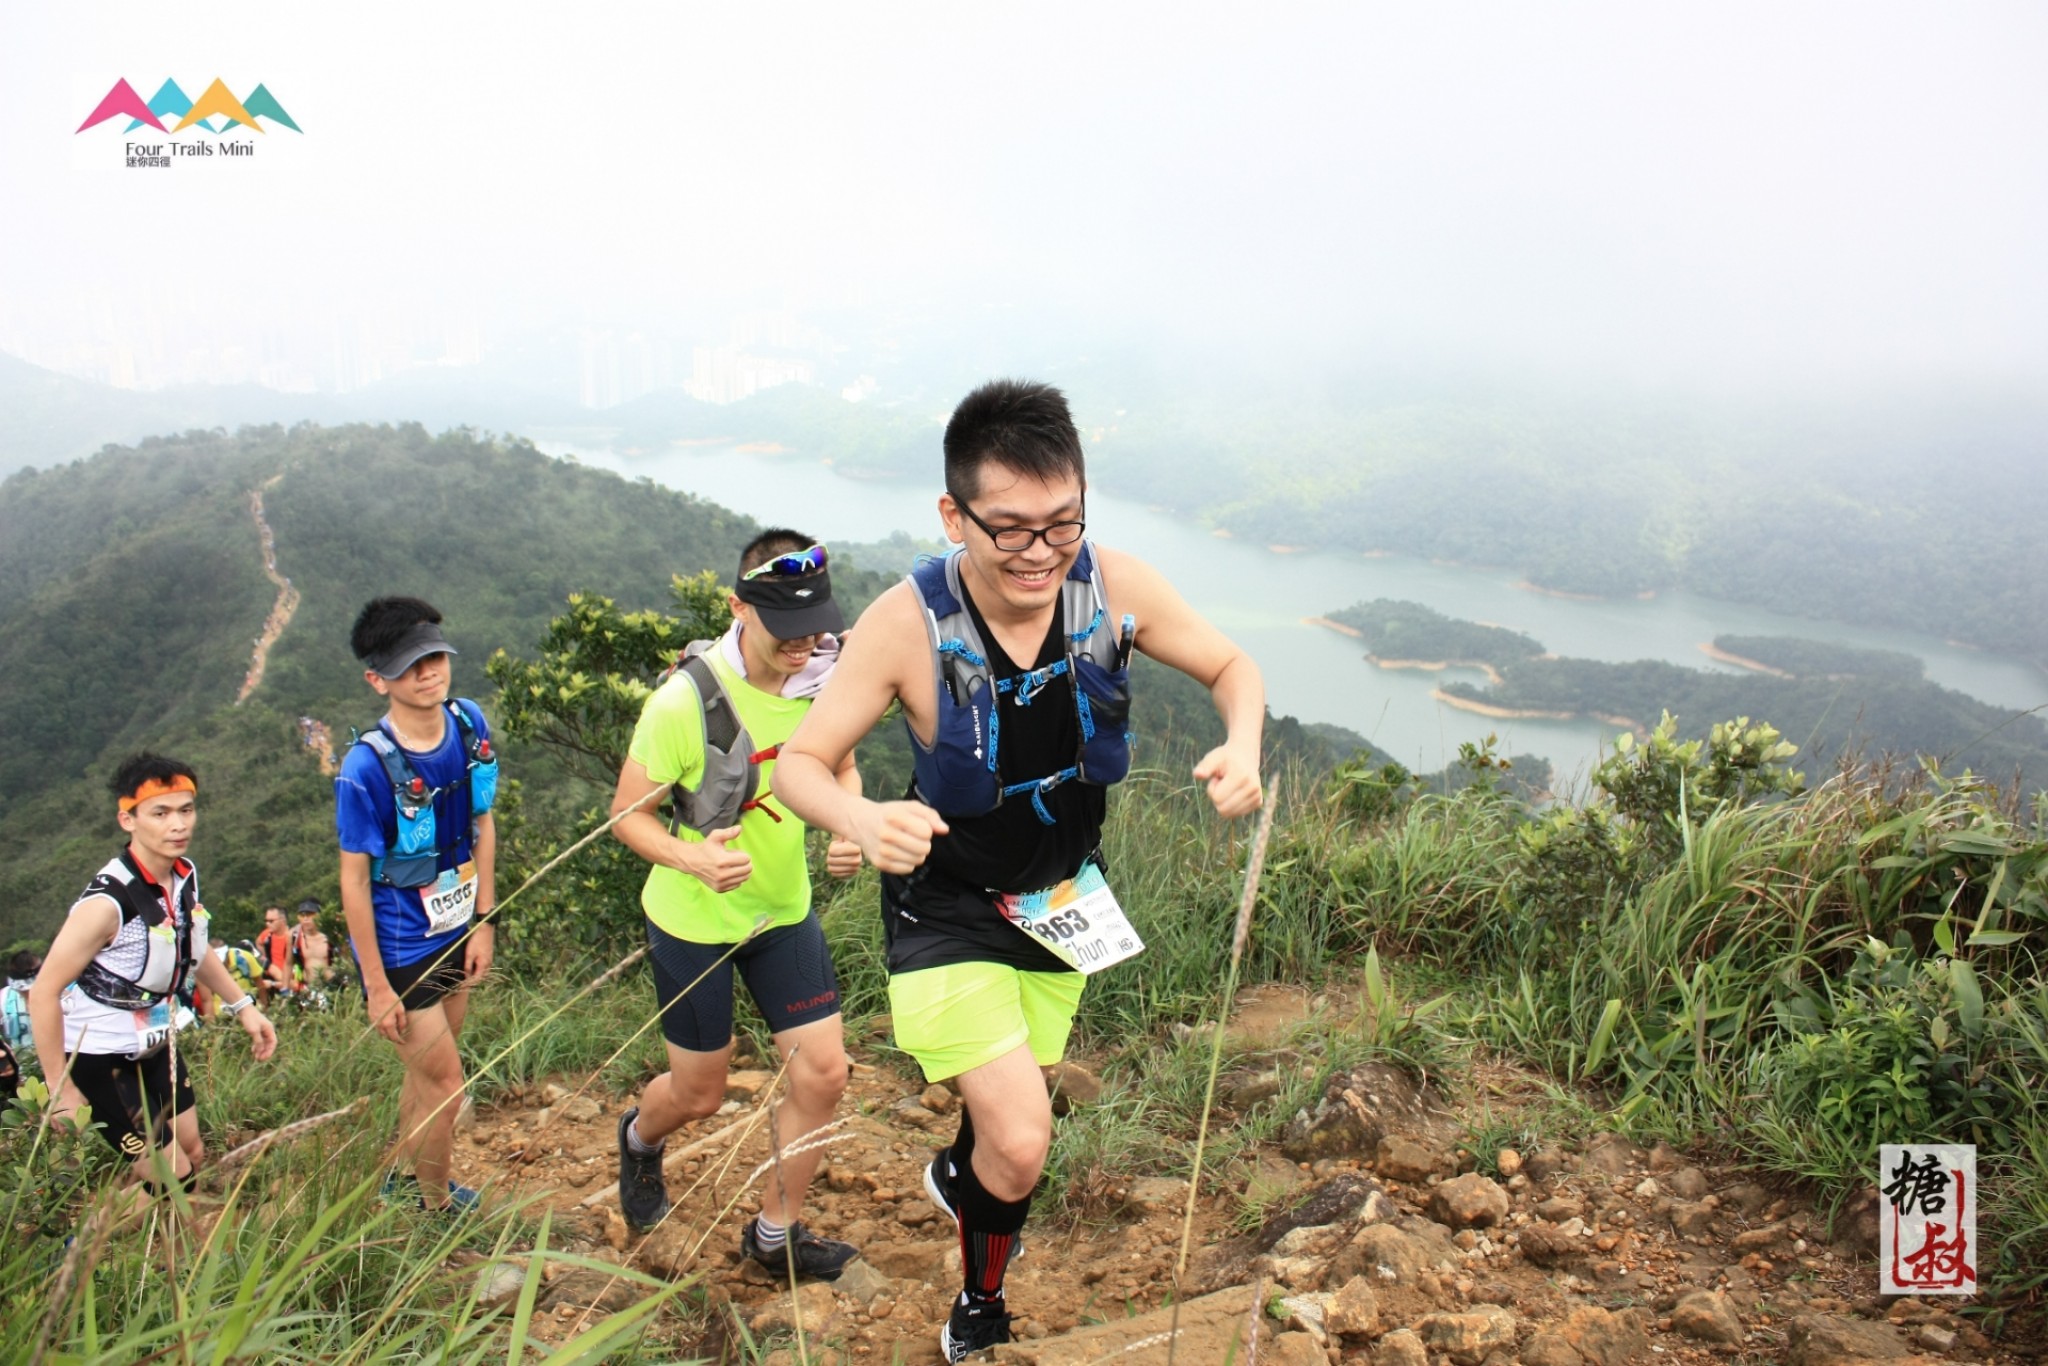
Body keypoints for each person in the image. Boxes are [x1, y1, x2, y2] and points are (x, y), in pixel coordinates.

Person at [772, 380, 1265, 1360]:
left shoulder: (1109, 587)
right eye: (1010, 529)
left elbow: (1230, 667)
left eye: (1063, 522)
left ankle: (962, 1194)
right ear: (953, 514)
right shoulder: (907, 624)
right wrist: (861, 817)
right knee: (1024, 1135)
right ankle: (981, 1310)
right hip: (944, 903)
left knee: (1009, 1116)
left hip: (1059, 894)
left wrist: (1241, 744)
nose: (1042, 552)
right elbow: (798, 764)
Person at [610, 530, 865, 1280]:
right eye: (787, 627)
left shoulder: (828, 682)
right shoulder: (684, 702)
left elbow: (844, 769)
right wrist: (693, 857)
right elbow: (627, 816)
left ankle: (775, 1235)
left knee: (824, 1075)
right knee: (700, 1093)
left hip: (781, 914)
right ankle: (640, 1140)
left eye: (814, 625)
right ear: (738, 607)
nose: (804, 643)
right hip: (693, 921)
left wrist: (848, 825)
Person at [27, 753, 277, 1190]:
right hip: (99, 1054)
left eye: (186, 810)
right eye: (160, 813)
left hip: (155, 1039)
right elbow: (43, 990)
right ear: (128, 820)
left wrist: (243, 1006)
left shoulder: (183, 875)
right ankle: (113, 1231)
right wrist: (59, 1088)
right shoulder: (106, 905)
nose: (178, 825)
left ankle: (122, 1224)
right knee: (172, 1178)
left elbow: (192, 948)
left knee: (193, 1151)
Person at [335, 596, 498, 1213]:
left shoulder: (467, 723)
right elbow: (354, 882)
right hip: (403, 947)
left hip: (456, 927)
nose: (428, 673)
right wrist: (376, 986)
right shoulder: (365, 769)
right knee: (448, 1085)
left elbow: (483, 822)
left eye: (435, 657)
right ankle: (435, 1209)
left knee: (427, 1074)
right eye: (410, 666)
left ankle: (405, 1182)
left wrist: (484, 921)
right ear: (377, 679)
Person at [254, 906, 296, 1006]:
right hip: (269, 978)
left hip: (286, 981)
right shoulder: (267, 934)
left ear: (283, 920)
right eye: (266, 921)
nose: (267, 924)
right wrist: (266, 958)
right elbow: (258, 942)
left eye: (271, 921)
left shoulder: (292, 937)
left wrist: (274, 982)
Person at [294, 899, 336, 988]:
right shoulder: (295, 938)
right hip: (308, 988)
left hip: (332, 986)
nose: (305, 919)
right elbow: (287, 965)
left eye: (310, 914)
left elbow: (346, 960)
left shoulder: (331, 936)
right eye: (302, 916)